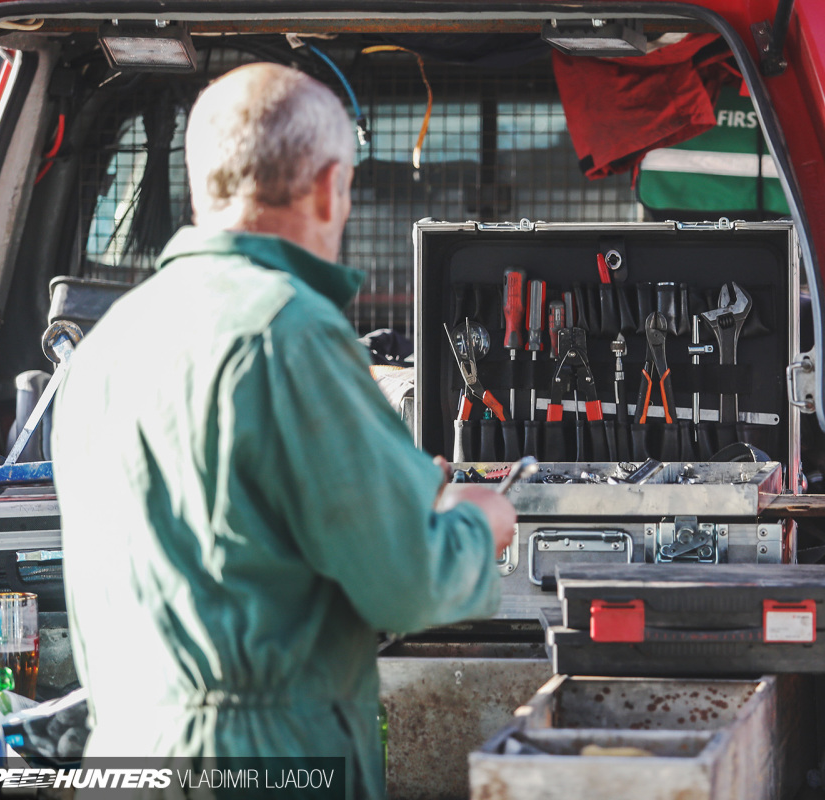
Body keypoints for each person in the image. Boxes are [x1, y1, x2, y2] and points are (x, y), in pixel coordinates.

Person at [51, 63, 516, 798]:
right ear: (331, 186)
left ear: (203, 186)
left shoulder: (104, 347)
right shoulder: (287, 331)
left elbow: (233, 544)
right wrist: (476, 523)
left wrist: (389, 502)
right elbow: (408, 585)